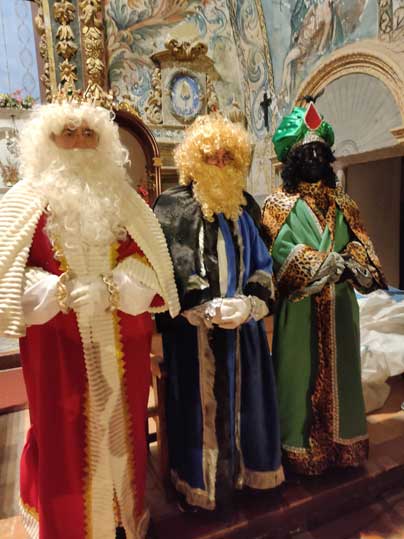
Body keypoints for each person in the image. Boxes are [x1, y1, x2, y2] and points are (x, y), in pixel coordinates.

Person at [0, 87, 179, 539]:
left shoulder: (126, 200)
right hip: (55, 348)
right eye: (68, 132)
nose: (79, 142)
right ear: (47, 139)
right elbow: (8, 275)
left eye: (88, 133)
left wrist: (114, 288)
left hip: (122, 343)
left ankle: (121, 518)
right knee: (61, 434)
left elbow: (152, 263)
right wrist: (56, 292)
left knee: (123, 428)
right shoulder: (22, 201)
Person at [153, 114, 284, 512]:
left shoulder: (245, 209)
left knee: (248, 406)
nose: (220, 164)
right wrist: (200, 307)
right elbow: (165, 270)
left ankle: (247, 476)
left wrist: (249, 304)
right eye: (211, 156)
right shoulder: (171, 208)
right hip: (195, 338)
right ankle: (201, 487)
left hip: (244, 332)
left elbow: (263, 265)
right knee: (196, 413)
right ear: (194, 160)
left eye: (228, 157)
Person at [262, 102, 387, 475]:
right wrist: (318, 263)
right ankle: (300, 450)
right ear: (292, 159)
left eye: (320, 151)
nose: (315, 158)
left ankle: (344, 446)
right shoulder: (277, 206)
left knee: (343, 374)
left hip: (340, 305)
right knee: (297, 375)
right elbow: (276, 253)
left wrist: (351, 263)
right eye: (307, 152)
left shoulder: (344, 203)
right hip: (300, 308)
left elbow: (362, 246)